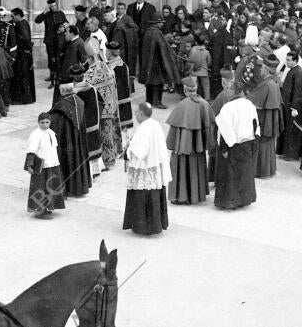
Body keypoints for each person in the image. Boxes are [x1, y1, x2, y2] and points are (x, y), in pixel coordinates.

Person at [122, 102, 171, 235]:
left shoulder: (143, 129)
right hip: (154, 168)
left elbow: (139, 152)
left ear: (141, 114)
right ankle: (156, 225)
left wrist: (128, 148)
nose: (135, 115)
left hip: (144, 170)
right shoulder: (155, 125)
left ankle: (142, 227)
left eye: (136, 113)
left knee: (142, 197)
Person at [166, 76, 215, 204]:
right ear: (196, 89)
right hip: (198, 149)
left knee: (180, 168)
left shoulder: (182, 106)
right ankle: (197, 195)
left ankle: (181, 196)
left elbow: (174, 131)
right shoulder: (205, 104)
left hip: (183, 147)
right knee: (197, 167)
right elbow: (211, 126)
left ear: (185, 90)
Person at [214, 81, 260, 209]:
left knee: (230, 175)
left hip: (232, 146)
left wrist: (224, 148)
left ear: (235, 91)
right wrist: (255, 141)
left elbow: (224, 130)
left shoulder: (228, 107)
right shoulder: (249, 104)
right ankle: (244, 200)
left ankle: (230, 201)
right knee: (245, 173)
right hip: (247, 144)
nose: (226, 91)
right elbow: (255, 124)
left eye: (228, 89)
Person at [49, 81, 92, 197]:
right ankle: (79, 187)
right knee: (77, 158)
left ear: (62, 92)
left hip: (66, 140)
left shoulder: (61, 107)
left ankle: (68, 187)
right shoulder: (79, 102)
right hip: (77, 141)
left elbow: (53, 123)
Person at [84, 39, 121, 169]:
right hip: (111, 104)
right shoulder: (108, 68)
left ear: (89, 58)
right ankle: (112, 157)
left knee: (104, 135)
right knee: (109, 132)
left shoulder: (91, 72)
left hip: (101, 107)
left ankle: (107, 161)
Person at [247, 54, 283, 178]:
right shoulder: (273, 83)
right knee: (268, 144)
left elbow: (253, 99)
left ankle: (260, 170)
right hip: (270, 118)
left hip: (264, 117)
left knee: (261, 143)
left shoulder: (266, 84)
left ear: (267, 70)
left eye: (262, 68)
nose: (260, 70)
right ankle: (269, 169)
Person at [24, 112, 66, 219]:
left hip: (52, 164)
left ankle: (48, 207)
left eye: (47, 122)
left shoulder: (51, 133)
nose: (45, 125)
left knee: (50, 186)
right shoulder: (35, 134)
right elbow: (31, 151)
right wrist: (29, 165)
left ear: (50, 122)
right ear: (38, 122)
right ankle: (39, 211)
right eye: (42, 122)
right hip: (41, 166)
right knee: (40, 187)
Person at [138, 12, 180, 108]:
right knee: (158, 83)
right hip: (156, 63)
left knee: (149, 83)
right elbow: (163, 47)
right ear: (156, 23)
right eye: (161, 22)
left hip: (149, 62)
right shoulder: (157, 32)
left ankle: (149, 101)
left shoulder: (148, 31)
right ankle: (157, 102)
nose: (162, 24)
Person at [70, 63, 104, 178]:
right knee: (93, 144)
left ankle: (88, 173)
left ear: (72, 76)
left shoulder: (74, 92)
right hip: (94, 123)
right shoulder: (92, 88)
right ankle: (96, 170)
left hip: (83, 125)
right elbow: (101, 103)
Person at [276, 50, 302, 161]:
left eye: (289, 60)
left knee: (293, 130)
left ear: (295, 60)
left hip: (294, 107)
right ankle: (285, 152)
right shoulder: (291, 70)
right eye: (286, 60)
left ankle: (291, 155)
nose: (286, 62)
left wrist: (294, 107)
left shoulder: (298, 72)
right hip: (287, 105)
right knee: (287, 130)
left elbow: (298, 91)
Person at [35, 0, 67, 89]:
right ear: (48, 6)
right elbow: (37, 21)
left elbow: (66, 22)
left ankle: (57, 79)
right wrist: (44, 12)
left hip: (59, 41)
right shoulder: (46, 14)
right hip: (49, 41)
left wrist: (63, 28)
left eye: (54, 5)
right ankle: (52, 78)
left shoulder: (61, 13)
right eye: (51, 6)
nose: (53, 7)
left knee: (58, 59)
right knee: (51, 59)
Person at [9, 8, 36, 104]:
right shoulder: (25, 22)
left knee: (22, 75)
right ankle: (27, 98)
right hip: (26, 53)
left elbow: (24, 38)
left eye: (13, 16)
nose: (11, 19)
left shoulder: (20, 24)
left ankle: (22, 99)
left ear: (18, 16)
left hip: (21, 54)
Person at [112, 2, 138, 92]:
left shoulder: (128, 18)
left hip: (124, 48)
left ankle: (127, 89)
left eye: (122, 8)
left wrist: (124, 28)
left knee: (124, 69)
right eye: (118, 8)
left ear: (125, 9)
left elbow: (135, 28)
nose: (120, 10)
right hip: (115, 46)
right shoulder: (115, 18)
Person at [56, 25, 87, 102]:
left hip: (71, 79)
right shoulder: (69, 42)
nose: (65, 33)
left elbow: (84, 62)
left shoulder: (80, 43)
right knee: (62, 99)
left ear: (72, 33)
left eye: (67, 32)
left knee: (68, 100)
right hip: (64, 77)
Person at [187, 33, 211, 101]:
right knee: (206, 87)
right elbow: (209, 63)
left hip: (194, 71)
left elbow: (190, 60)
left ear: (196, 42)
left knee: (194, 87)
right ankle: (207, 101)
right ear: (204, 43)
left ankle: (193, 100)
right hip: (204, 71)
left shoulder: (193, 50)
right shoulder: (207, 52)